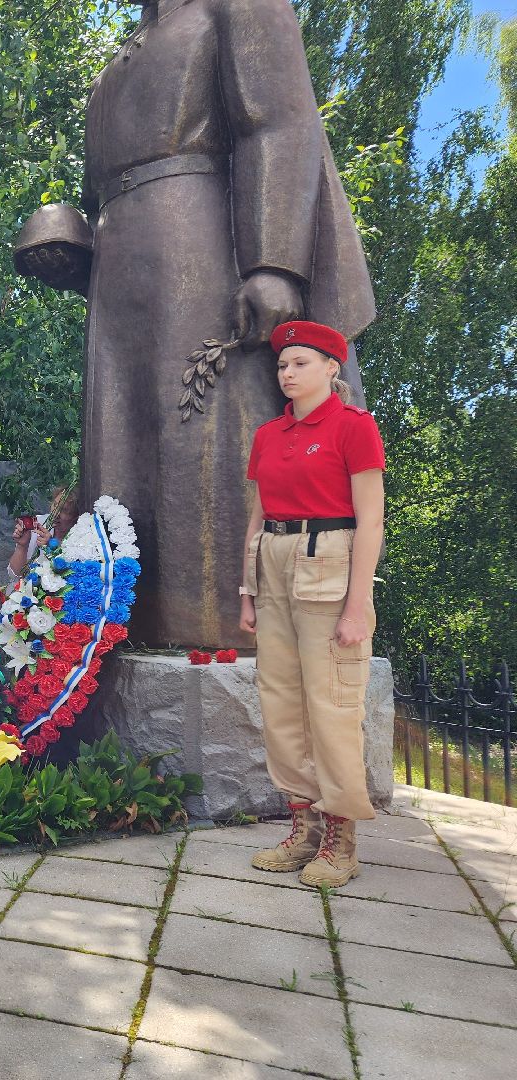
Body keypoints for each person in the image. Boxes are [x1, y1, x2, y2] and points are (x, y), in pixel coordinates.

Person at [14, 0, 375, 650]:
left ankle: (214, 634)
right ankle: (119, 632)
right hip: (122, 274)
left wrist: (274, 262)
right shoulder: (120, 59)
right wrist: (77, 248)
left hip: (202, 246)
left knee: (202, 440)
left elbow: (280, 123)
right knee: (119, 448)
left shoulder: (236, 5)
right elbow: (114, 186)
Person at [240, 320, 384, 889]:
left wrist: (358, 603)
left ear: (332, 368)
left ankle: (340, 837)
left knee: (330, 703)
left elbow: (370, 519)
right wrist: (246, 590)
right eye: (282, 365)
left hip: (330, 562)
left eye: (301, 363)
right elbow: (256, 514)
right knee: (279, 701)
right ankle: (301, 829)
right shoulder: (268, 434)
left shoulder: (355, 428)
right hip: (273, 561)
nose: (288, 373)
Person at [8, 486, 79, 579]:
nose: (55, 513)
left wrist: (51, 549)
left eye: (64, 510)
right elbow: (15, 575)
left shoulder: (80, 537)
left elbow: (71, 580)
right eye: (55, 505)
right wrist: (22, 546)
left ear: (76, 517)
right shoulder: (37, 524)